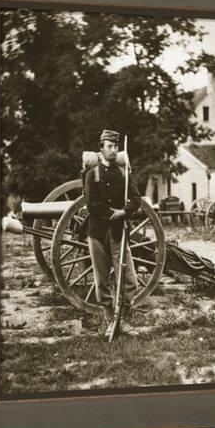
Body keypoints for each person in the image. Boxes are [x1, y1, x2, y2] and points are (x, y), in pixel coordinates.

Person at [83, 129, 141, 336]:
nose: (113, 150)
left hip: (118, 232)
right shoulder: (92, 174)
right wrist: (113, 214)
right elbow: (92, 204)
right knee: (101, 280)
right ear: (101, 148)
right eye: (109, 146)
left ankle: (122, 320)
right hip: (97, 233)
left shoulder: (124, 173)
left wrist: (124, 212)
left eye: (115, 146)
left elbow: (136, 199)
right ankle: (109, 320)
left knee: (129, 279)